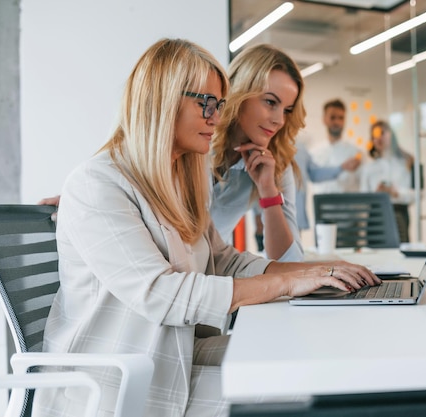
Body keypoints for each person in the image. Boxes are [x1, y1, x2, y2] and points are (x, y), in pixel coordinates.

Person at [34, 38, 380, 417]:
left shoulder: (179, 180)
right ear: (162, 99)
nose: (216, 116)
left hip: (175, 353)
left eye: (219, 104)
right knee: (295, 398)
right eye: (207, 103)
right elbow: (161, 294)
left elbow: (222, 260)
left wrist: (318, 272)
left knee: (307, 364)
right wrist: (289, 282)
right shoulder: (96, 183)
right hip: (117, 381)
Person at [210, 44, 305, 262]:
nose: (279, 120)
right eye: (270, 102)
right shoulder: (198, 145)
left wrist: (267, 190)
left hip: (211, 274)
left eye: (287, 110)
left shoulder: (277, 163)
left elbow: (289, 262)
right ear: (240, 93)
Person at [360, 120, 416, 243]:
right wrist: (376, 195)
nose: (378, 138)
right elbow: (363, 198)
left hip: (398, 214)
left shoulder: (406, 163)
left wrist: (396, 193)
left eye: (382, 133)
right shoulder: (369, 167)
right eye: (374, 136)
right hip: (376, 216)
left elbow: (417, 194)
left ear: (391, 135)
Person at [311, 98, 362, 194]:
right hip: (321, 206)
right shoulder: (314, 153)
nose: (337, 122)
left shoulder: (355, 153)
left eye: (341, 118)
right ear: (324, 119)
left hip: (348, 207)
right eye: (332, 117)